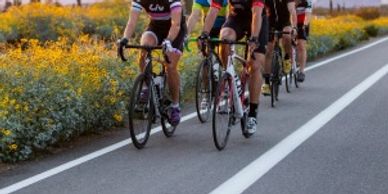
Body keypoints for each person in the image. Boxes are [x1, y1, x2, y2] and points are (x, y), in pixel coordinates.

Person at [200, 0, 268, 135]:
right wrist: (204, 34)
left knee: (255, 65)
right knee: (224, 38)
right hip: (236, 18)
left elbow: (256, 13)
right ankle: (230, 77)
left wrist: (254, 38)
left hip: (257, 20)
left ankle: (253, 114)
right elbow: (213, 10)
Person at [117, 0, 187, 126]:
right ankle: (146, 87)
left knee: (170, 67)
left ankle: (175, 105)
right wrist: (125, 39)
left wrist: (168, 41)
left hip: (176, 30)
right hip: (155, 28)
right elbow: (131, 22)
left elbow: (176, 24)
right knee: (144, 47)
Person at [261, 0, 297, 96]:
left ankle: (287, 58)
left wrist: (294, 27)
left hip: (284, 23)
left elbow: (292, 10)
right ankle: (267, 82)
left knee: (287, 36)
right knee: (268, 51)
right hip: (270, 23)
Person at [295, 0, 312, 82]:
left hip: (302, 23)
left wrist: (304, 25)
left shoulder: (307, 1)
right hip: (290, 22)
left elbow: (308, 15)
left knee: (301, 45)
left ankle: (301, 71)